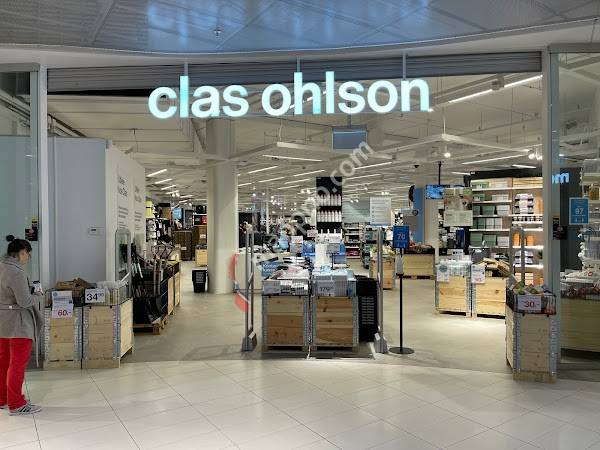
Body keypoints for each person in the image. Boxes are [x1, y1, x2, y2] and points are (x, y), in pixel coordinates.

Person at [0, 235, 43, 415]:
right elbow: (24, 301)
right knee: (17, 364)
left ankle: (3, 398)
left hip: (3, 322)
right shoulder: (16, 272)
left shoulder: (2, 266)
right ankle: (16, 404)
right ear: (22, 252)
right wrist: (37, 294)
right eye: (28, 254)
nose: (28, 258)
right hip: (18, 324)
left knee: (3, 362)